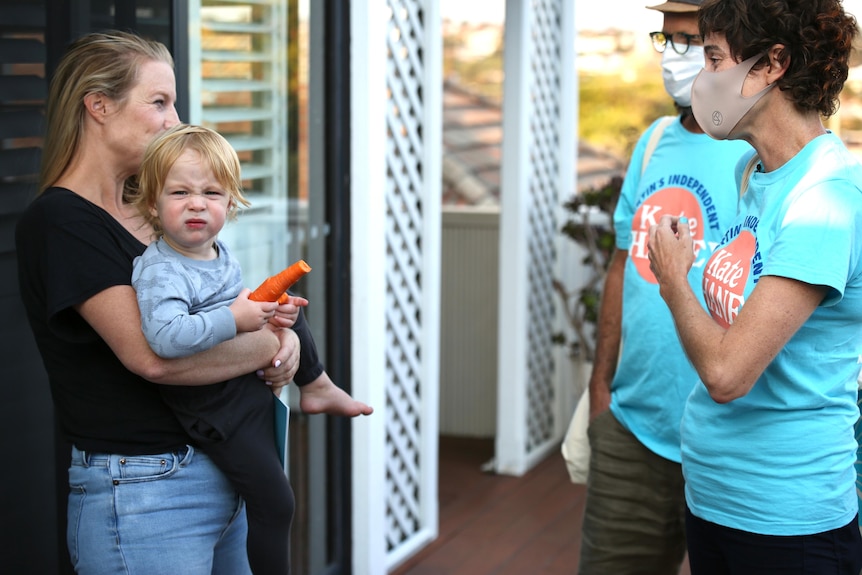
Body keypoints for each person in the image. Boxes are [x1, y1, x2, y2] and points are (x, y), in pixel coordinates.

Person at [14, 30, 352, 575]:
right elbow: (153, 357)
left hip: (218, 467)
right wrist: (271, 342)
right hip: (145, 492)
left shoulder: (156, 212)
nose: (176, 119)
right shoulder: (63, 223)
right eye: (159, 102)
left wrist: (287, 338)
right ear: (98, 106)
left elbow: (219, 305)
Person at [648, 0, 862, 572]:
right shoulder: (757, 175)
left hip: (785, 521)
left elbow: (726, 374)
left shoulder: (823, 201)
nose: (702, 77)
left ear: (772, 65)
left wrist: (674, 280)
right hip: (717, 503)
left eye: (714, 57)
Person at [129, 123, 371, 574]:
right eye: (180, 192)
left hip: (240, 390)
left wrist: (269, 319)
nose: (197, 203)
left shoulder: (218, 254)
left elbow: (236, 315)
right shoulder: (161, 270)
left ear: (231, 203)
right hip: (213, 407)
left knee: (292, 310)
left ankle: (316, 384)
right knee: (276, 504)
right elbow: (165, 337)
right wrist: (236, 319)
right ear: (153, 204)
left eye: (212, 193)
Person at [577, 1, 752, 573]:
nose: (676, 57)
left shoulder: (757, 155)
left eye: (693, 43)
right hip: (632, 429)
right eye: (667, 40)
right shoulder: (653, 141)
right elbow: (620, 266)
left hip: (726, 441)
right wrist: (601, 389)